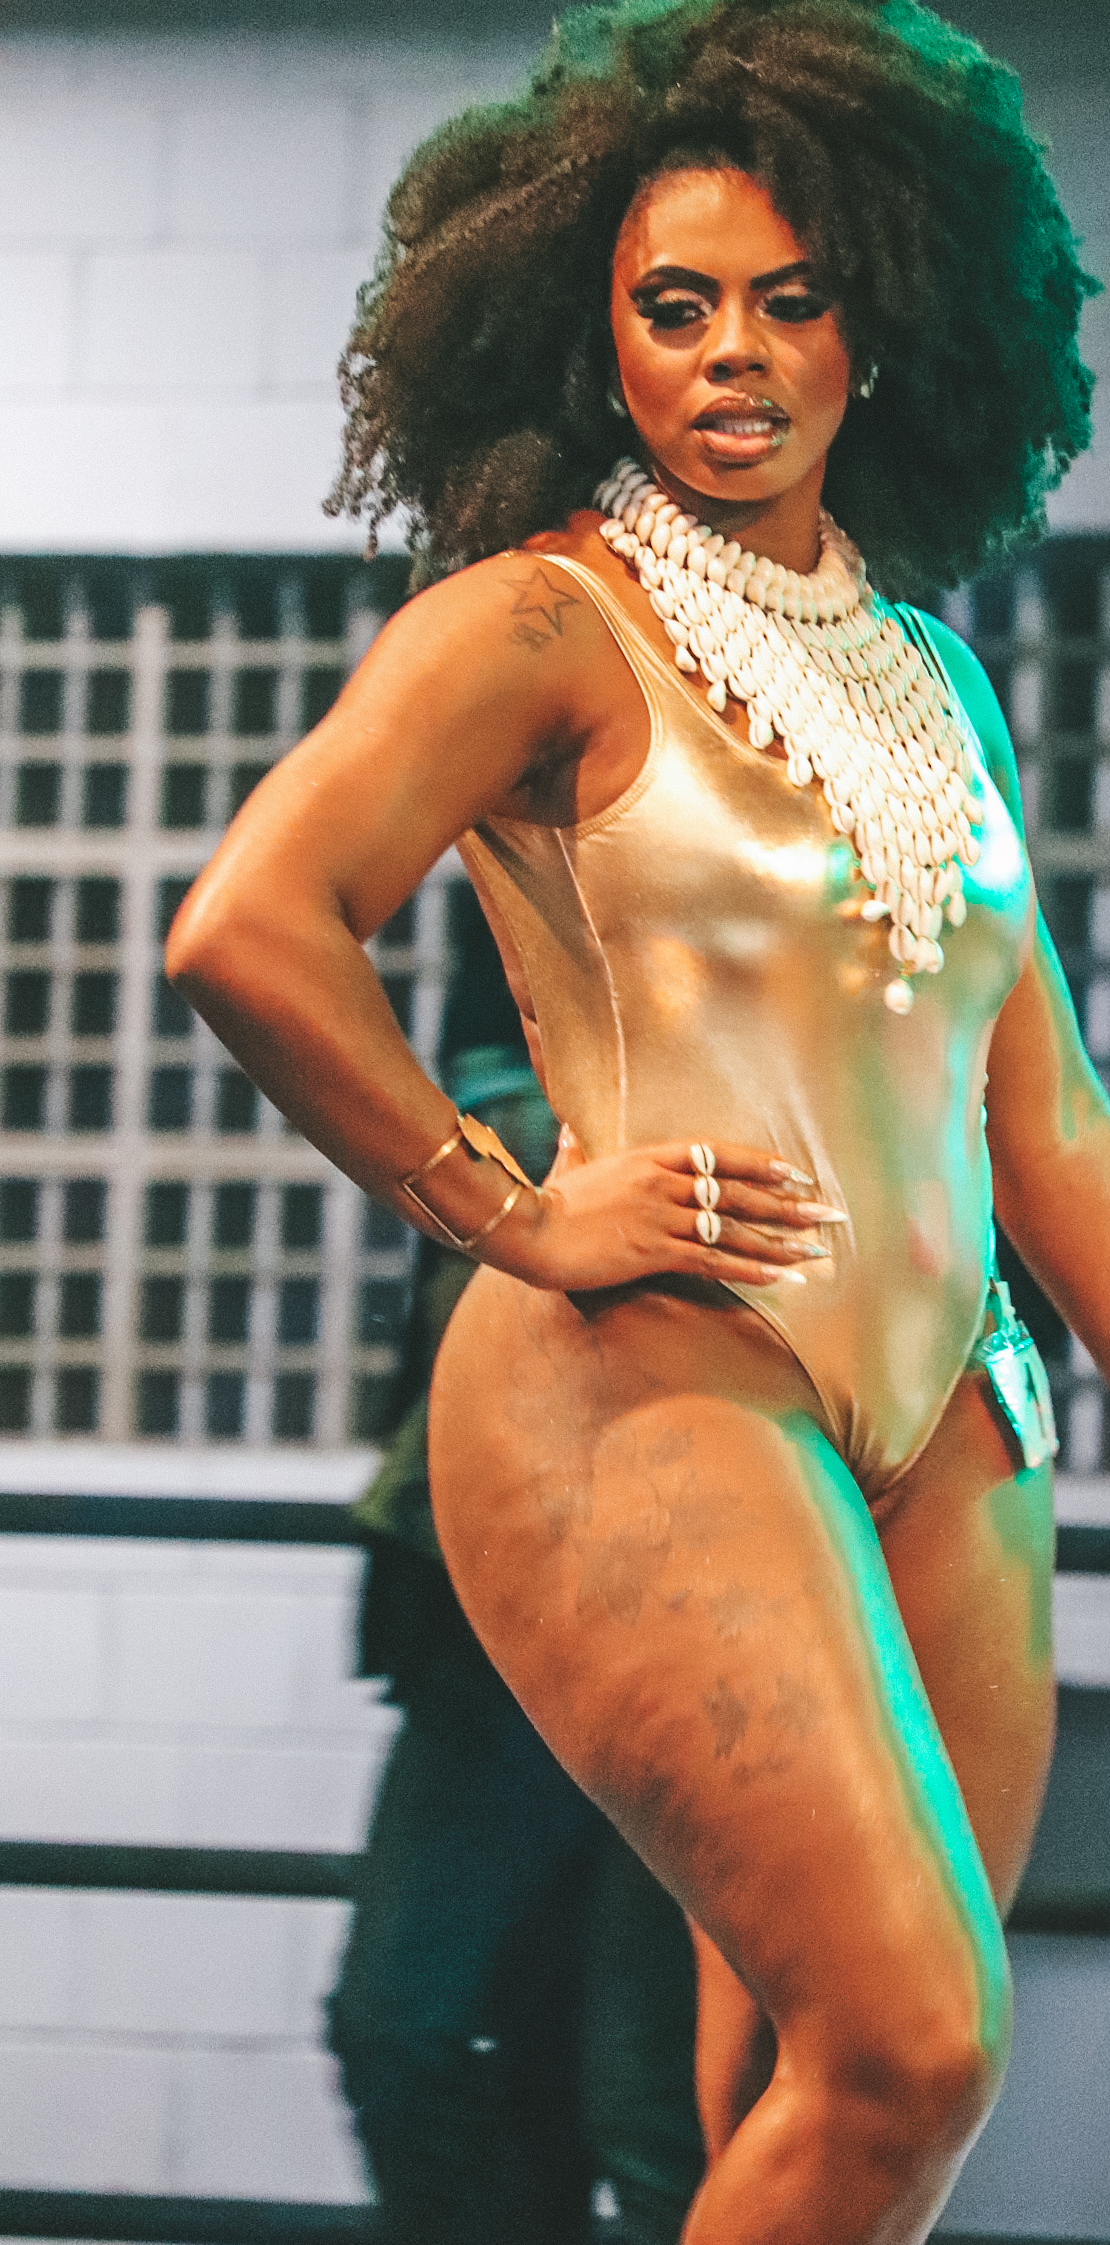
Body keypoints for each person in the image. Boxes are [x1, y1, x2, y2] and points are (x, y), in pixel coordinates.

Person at [167, 0, 1110, 2245]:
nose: (733, 351)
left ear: (880, 330)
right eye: (676, 305)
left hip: (957, 1414)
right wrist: (514, 1207)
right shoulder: (539, 621)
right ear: (597, 339)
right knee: (921, 2038)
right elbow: (248, 926)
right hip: (660, 1374)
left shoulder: (931, 674)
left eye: (789, 300)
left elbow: (1051, 1122)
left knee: (806, 2091)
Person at [328, 887, 704, 2245]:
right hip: (491, 1620)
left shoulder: (816, 924)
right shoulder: (512, 903)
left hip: (706, 1612)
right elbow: (454, 1269)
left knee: (650, 2106)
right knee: (406, 2028)